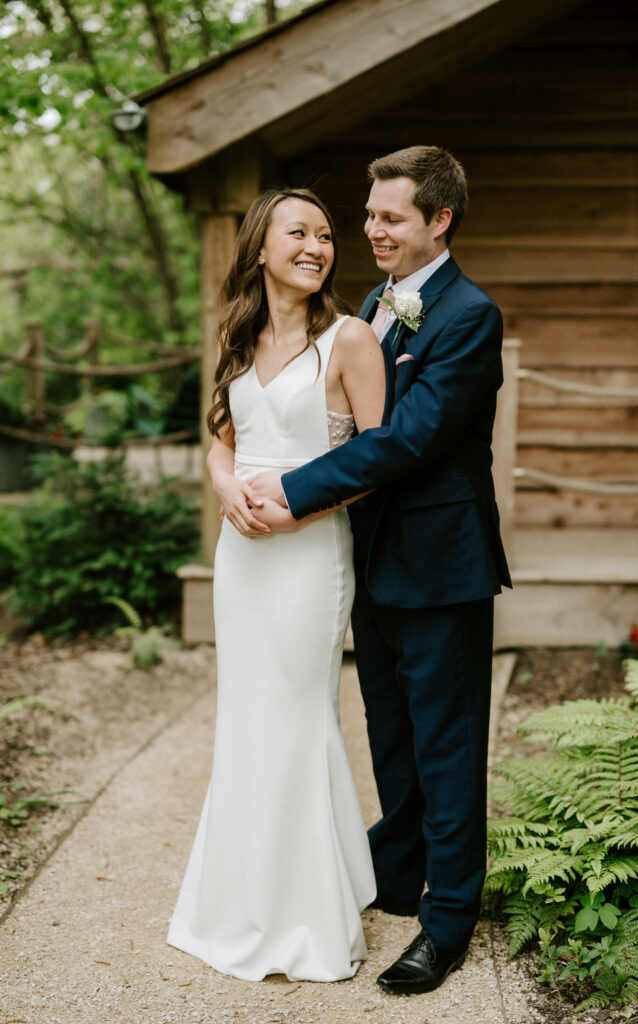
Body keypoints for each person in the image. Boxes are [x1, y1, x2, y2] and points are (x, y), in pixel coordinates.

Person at [246, 146, 512, 995]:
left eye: (390, 217)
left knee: (446, 741)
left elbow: (406, 439)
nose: (371, 231)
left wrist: (291, 490)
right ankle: (396, 872)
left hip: (442, 563)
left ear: (438, 220)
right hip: (371, 556)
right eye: (368, 216)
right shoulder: (373, 303)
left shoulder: (470, 315)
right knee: (390, 732)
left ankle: (447, 920)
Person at [166, 187, 386, 982]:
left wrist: (297, 508)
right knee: (249, 716)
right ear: (261, 246)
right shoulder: (238, 334)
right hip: (242, 556)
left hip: (307, 549)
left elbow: (379, 457)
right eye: (299, 232)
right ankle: (252, 889)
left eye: (326, 236)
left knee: (295, 712)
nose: (317, 246)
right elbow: (223, 441)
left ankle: (304, 914)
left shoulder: (351, 339)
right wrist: (225, 489)